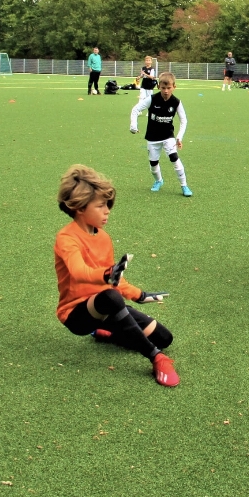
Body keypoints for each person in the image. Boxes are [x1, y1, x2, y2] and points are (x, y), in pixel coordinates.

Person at [54, 164, 179, 387]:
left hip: (109, 306)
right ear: (80, 208)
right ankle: (157, 358)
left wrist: (140, 295)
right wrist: (107, 275)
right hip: (77, 314)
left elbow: (115, 279)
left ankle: (107, 333)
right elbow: (79, 272)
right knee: (110, 297)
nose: (107, 210)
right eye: (100, 205)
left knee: (164, 337)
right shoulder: (67, 238)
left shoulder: (104, 238)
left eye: (107, 205)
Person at [130, 72, 193, 197]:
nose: (166, 91)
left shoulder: (176, 102)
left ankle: (184, 185)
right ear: (158, 86)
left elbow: (184, 121)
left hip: (168, 136)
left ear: (174, 87)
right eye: (163, 88)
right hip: (152, 136)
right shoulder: (152, 99)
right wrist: (133, 126)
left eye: (169, 88)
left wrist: (179, 137)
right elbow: (135, 109)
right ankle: (158, 181)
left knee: (174, 158)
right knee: (153, 163)